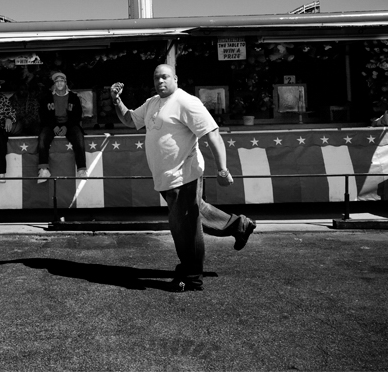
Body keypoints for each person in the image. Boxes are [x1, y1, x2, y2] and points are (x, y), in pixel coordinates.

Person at [110, 64, 253, 292]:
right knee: (198, 211)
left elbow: (212, 133)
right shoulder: (152, 102)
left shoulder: (186, 101)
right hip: (166, 177)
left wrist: (223, 170)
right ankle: (239, 226)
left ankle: (192, 275)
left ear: (175, 78)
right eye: (157, 78)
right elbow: (130, 120)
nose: (160, 81)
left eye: (165, 77)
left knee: (184, 227)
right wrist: (117, 101)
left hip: (184, 175)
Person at [36, 72, 87, 182]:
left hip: (70, 124)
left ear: (65, 83)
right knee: (43, 136)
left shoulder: (73, 97)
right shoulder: (47, 97)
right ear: (54, 84)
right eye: (57, 81)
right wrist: (54, 126)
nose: (59, 83)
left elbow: (77, 116)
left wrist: (66, 127)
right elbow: (44, 115)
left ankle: (81, 169)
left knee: (78, 135)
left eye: (62, 81)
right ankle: (44, 169)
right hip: (52, 124)